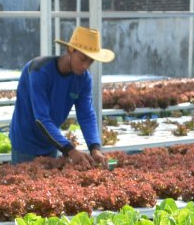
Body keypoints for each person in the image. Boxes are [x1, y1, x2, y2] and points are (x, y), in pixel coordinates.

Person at [8, 26, 115, 167]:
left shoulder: (84, 79)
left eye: (90, 61)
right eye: (83, 59)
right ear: (70, 50)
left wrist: (94, 148)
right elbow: (41, 119)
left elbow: (86, 114)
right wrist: (70, 150)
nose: (85, 66)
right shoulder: (39, 70)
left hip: (51, 142)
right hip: (25, 142)